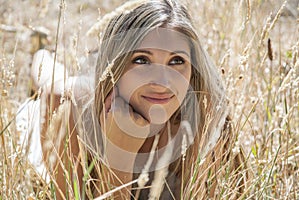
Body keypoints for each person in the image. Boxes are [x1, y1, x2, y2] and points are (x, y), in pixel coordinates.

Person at [18, 0, 246, 199]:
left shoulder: (205, 122)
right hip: (73, 94)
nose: (162, 82)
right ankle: (41, 51)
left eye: (176, 61)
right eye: (142, 60)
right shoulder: (74, 114)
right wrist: (118, 161)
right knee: (55, 81)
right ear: (116, 67)